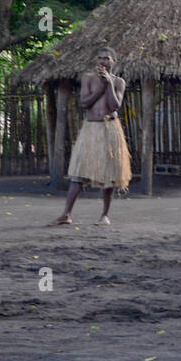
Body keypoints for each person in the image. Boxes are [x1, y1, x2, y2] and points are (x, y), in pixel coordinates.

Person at [47, 48, 131, 227]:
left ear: (113, 61)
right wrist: (100, 87)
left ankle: (104, 216)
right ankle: (66, 214)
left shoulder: (119, 82)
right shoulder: (88, 78)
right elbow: (84, 103)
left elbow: (114, 105)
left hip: (110, 128)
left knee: (109, 174)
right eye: (100, 58)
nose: (103, 61)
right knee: (78, 172)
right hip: (90, 129)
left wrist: (108, 84)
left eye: (107, 59)